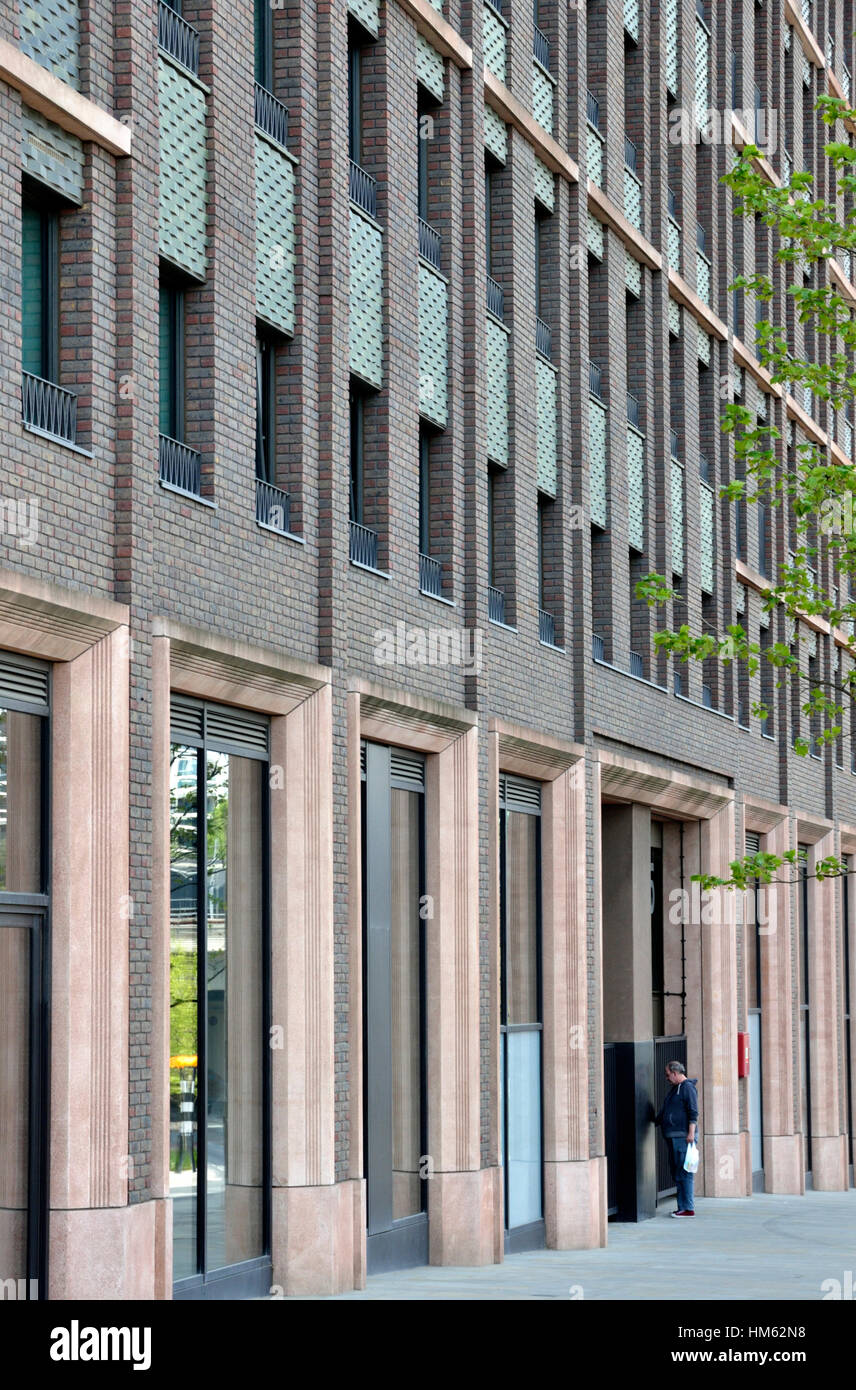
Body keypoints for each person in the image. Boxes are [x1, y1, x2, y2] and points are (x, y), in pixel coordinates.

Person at [654, 1060, 698, 1217]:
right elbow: (665, 1111)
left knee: (684, 1172)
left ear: (675, 1073)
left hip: (683, 1137)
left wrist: (691, 1134)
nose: (666, 1078)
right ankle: (683, 1207)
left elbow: (693, 1112)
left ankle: (687, 1208)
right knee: (678, 1172)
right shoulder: (674, 1090)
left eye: (667, 1075)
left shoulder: (687, 1088)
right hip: (674, 1137)